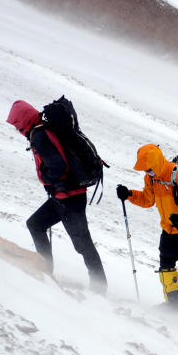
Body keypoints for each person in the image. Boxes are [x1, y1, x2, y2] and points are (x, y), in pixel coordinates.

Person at [6, 100, 107, 295]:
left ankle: (99, 287)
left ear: (23, 121)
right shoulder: (45, 128)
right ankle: (45, 269)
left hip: (69, 198)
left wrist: (45, 177)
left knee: (82, 243)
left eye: (16, 124)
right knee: (35, 224)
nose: (16, 128)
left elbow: (58, 166)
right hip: (65, 195)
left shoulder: (39, 135)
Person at [116, 145, 178, 319]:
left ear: (157, 163)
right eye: (145, 170)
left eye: (149, 168)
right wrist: (128, 194)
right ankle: (172, 306)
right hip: (169, 228)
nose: (147, 172)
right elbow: (147, 199)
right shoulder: (151, 178)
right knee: (166, 266)